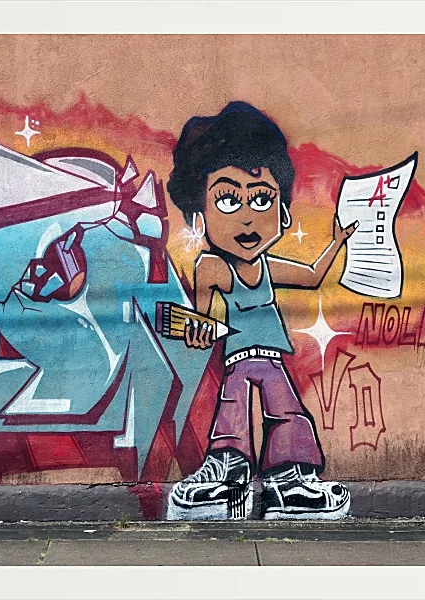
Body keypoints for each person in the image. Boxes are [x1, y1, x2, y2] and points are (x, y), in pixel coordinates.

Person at [166, 101, 358, 520]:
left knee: (287, 412)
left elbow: (312, 276)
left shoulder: (269, 267)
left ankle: (290, 482)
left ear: (283, 213)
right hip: (237, 358)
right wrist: (196, 332)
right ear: (198, 216)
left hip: (271, 358)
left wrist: (337, 241)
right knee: (232, 409)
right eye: (227, 200)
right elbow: (203, 321)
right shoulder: (212, 267)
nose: (248, 217)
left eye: (261, 199)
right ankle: (226, 476)